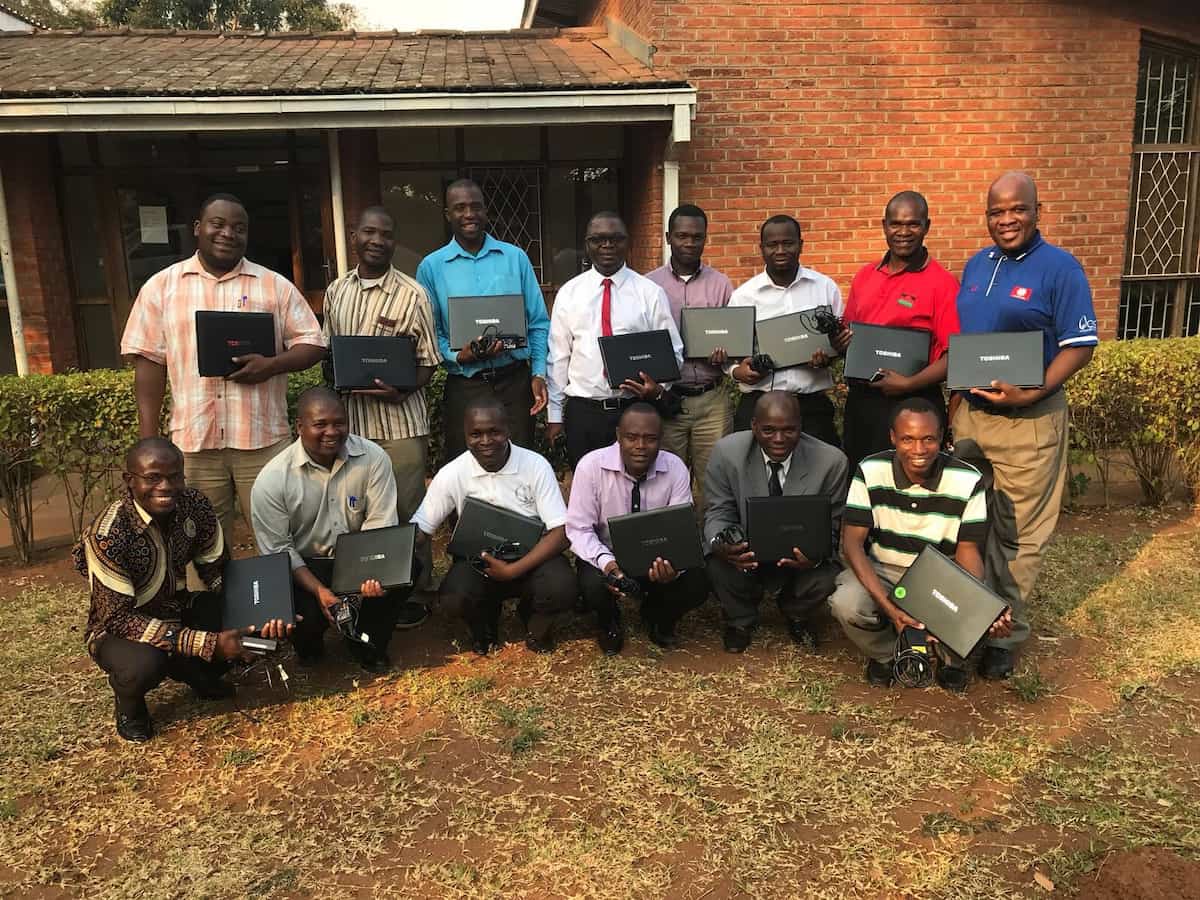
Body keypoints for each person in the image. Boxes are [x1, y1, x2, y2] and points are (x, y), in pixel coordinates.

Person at [950, 172, 1098, 680]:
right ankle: (963, 618)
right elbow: (966, 341)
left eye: (1017, 209)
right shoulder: (976, 264)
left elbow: (1080, 344)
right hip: (973, 419)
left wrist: (1033, 391)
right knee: (966, 524)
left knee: (1017, 536)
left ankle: (1002, 636)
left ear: (1038, 210)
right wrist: (955, 403)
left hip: (1029, 421)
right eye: (996, 212)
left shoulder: (1061, 268)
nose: (1006, 219)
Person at [121, 193, 327, 543]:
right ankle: (208, 601)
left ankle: (281, 598)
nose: (228, 233)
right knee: (198, 544)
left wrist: (272, 365)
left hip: (262, 442)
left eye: (239, 228)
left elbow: (314, 343)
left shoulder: (273, 286)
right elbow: (149, 363)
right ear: (198, 228)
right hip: (193, 445)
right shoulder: (162, 287)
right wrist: (148, 440)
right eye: (218, 224)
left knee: (279, 538)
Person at [75, 437, 293, 742]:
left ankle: (196, 673)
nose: (166, 486)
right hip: (120, 630)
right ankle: (130, 707)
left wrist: (263, 610)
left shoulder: (195, 505)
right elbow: (119, 618)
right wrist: (208, 644)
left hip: (176, 607)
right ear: (129, 480)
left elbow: (216, 572)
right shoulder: (108, 534)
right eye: (153, 478)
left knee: (247, 619)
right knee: (144, 664)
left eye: (174, 476)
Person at [830, 398, 1012, 691]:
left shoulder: (968, 479)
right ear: (893, 437)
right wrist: (891, 609)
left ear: (942, 437)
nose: (918, 450)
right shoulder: (871, 469)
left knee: (972, 611)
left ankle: (949, 658)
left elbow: (967, 551)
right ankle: (888, 653)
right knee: (847, 603)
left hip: (941, 572)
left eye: (928, 439)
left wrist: (979, 604)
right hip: (885, 567)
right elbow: (852, 544)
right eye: (908, 439)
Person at [250, 387, 420, 672]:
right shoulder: (272, 479)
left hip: (358, 557)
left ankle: (367, 642)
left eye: (339, 423)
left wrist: (360, 583)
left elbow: (380, 524)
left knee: (406, 568)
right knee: (298, 608)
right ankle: (309, 642)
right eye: (320, 424)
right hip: (305, 567)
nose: (332, 432)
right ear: (299, 426)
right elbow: (279, 550)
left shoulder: (373, 458)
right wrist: (320, 591)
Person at [323, 205, 439, 594]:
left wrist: (401, 390)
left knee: (408, 513)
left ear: (394, 241)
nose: (377, 241)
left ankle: (417, 590)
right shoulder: (336, 291)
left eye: (386, 234)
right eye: (369, 232)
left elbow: (428, 363)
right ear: (354, 235)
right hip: (351, 428)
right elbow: (330, 352)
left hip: (401, 426)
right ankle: (368, 588)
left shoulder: (413, 294)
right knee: (357, 512)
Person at [412, 398, 577, 654]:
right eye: (476, 434)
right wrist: (391, 552)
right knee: (453, 598)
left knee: (562, 586)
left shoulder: (535, 465)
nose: (486, 441)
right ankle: (483, 626)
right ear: (465, 436)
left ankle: (535, 624)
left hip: (530, 560)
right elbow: (421, 529)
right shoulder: (452, 473)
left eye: (494, 432)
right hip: (478, 562)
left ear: (507, 430)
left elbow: (561, 533)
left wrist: (513, 571)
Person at [704, 390, 849, 653]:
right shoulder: (727, 452)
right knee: (715, 561)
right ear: (753, 426)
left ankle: (797, 614)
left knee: (830, 573)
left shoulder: (831, 462)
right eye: (768, 430)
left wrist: (814, 556)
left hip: (800, 558)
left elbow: (834, 526)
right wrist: (723, 543)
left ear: (801, 426)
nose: (779, 439)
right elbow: (718, 510)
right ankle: (740, 620)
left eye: (789, 430)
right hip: (747, 553)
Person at [416, 179, 551, 460]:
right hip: (466, 385)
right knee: (464, 466)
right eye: (460, 208)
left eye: (476, 207)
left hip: (514, 382)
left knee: (521, 462)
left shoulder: (515, 258)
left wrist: (538, 373)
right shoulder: (431, 267)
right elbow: (431, 331)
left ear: (486, 211)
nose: (469, 214)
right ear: (447, 214)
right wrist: (456, 356)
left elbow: (538, 322)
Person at [566, 402, 708, 654]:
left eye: (650, 439)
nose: (640, 446)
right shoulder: (590, 466)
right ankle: (608, 622)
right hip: (607, 556)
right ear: (618, 436)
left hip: (657, 558)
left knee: (697, 582)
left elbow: (681, 529)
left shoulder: (674, 467)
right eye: (632, 438)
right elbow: (579, 530)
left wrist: (672, 569)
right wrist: (608, 564)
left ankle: (658, 617)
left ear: (660, 439)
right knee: (591, 584)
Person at [545, 211, 684, 468]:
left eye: (615, 239)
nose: (607, 245)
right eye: (599, 239)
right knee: (589, 490)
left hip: (634, 410)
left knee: (638, 491)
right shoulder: (569, 294)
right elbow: (558, 358)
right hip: (584, 411)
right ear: (587, 244)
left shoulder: (649, 293)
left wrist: (657, 389)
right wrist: (555, 416)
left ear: (627, 242)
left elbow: (673, 352)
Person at [837, 192, 961, 471]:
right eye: (896, 224)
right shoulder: (865, 276)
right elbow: (850, 335)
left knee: (915, 487)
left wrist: (907, 384)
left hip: (915, 405)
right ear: (884, 226)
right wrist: (840, 341)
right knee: (865, 481)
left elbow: (956, 358)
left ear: (926, 226)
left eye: (913, 224)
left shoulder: (942, 283)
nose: (903, 232)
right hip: (864, 405)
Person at [646, 204, 735, 513]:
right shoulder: (648, 285)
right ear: (669, 237)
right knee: (664, 484)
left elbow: (733, 336)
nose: (689, 243)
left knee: (715, 483)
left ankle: (713, 547)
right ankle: (673, 550)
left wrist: (725, 353)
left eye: (697, 237)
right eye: (682, 236)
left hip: (712, 401)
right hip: (667, 399)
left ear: (705, 239)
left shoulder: (721, 284)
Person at [727, 215, 843, 446]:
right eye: (772, 245)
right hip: (760, 404)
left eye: (788, 243)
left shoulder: (825, 287)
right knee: (755, 476)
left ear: (801, 244)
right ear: (762, 249)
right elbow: (731, 355)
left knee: (818, 474)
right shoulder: (744, 296)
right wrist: (738, 372)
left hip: (811, 406)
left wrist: (829, 357)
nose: (780, 250)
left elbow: (839, 341)